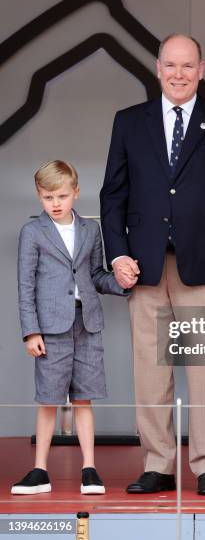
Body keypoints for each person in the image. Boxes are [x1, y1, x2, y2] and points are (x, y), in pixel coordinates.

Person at [100, 33, 205, 495]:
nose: (179, 73)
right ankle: (158, 464)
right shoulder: (129, 122)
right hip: (145, 263)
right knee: (149, 370)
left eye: (188, 66)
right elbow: (112, 193)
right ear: (157, 68)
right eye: (171, 65)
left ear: (201, 69)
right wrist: (117, 253)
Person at [12, 160, 131, 496]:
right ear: (39, 196)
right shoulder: (33, 232)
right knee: (48, 400)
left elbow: (95, 275)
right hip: (50, 328)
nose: (56, 203)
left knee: (84, 399)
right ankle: (39, 471)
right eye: (48, 197)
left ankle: (89, 469)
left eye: (62, 195)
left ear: (76, 193)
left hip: (87, 322)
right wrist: (31, 330)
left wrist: (122, 284)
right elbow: (26, 285)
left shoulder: (91, 231)